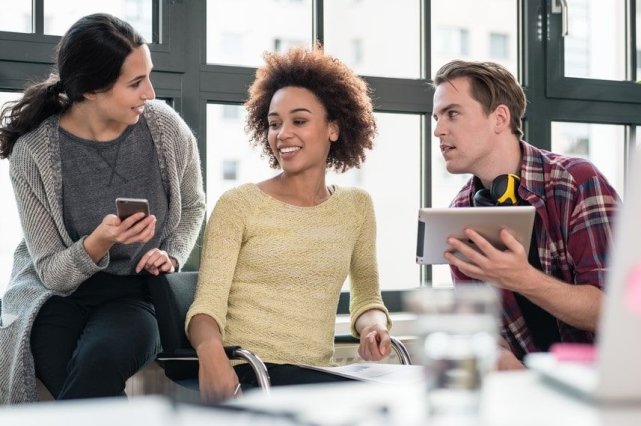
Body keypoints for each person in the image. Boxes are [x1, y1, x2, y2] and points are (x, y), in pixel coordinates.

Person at [0, 14, 205, 403]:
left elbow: (194, 206)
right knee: (75, 379)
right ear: (92, 89)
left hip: (136, 292)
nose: (150, 92)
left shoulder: (165, 128)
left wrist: (172, 255)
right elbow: (52, 274)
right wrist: (97, 242)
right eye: (135, 82)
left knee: (102, 359)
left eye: (149, 75)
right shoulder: (33, 153)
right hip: (55, 294)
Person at [186, 46, 392, 402]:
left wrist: (373, 327)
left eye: (299, 121)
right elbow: (207, 306)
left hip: (314, 376)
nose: (283, 134)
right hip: (252, 374)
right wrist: (211, 353)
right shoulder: (238, 205)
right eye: (274, 123)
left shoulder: (357, 207)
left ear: (333, 128)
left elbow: (367, 297)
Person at [432, 60, 620, 368]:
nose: (438, 130)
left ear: (500, 118)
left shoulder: (576, 182)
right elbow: (483, 333)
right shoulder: (462, 212)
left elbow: (613, 313)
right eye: (437, 117)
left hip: (610, 388)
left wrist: (522, 279)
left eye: (452, 113)